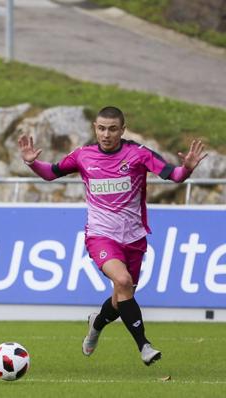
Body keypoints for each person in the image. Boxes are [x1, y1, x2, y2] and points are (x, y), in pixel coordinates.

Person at [18, 106, 207, 366]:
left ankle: (96, 323)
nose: (106, 134)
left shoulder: (138, 154)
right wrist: (31, 162)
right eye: (101, 128)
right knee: (122, 279)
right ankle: (144, 346)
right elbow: (51, 172)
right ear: (95, 127)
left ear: (122, 129)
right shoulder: (83, 155)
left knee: (121, 297)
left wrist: (186, 169)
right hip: (100, 235)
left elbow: (174, 175)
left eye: (112, 129)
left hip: (134, 238)